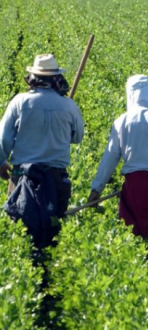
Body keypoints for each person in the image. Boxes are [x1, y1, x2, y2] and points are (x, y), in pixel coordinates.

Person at [0, 54, 84, 248]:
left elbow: (3, 140)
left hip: (22, 177)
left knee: (20, 234)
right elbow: (77, 138)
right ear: (56, 78)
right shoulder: (69, 106)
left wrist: (1, 164)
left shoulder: (20, 102)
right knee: (53, 234)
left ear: (33, 78)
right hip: (56, 179)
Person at [88, 75, 148, 238]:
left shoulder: (122, 121)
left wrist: (96, 189)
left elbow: (110, 159)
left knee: (134, 236)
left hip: (136, 186)